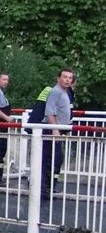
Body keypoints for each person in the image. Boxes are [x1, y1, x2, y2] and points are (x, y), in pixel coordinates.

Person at [40, 69, 74, 199]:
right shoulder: (55, 92)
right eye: (65, 77)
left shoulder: (64, 92)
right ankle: (44, 189)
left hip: (59, 130)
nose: (67, 80)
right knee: (50, 160)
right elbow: (50, 112)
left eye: (70, 78)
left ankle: (49, 187)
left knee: (56, 160)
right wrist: (55, 130)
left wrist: (66, 130)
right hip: (52, 131)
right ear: (58, 78)